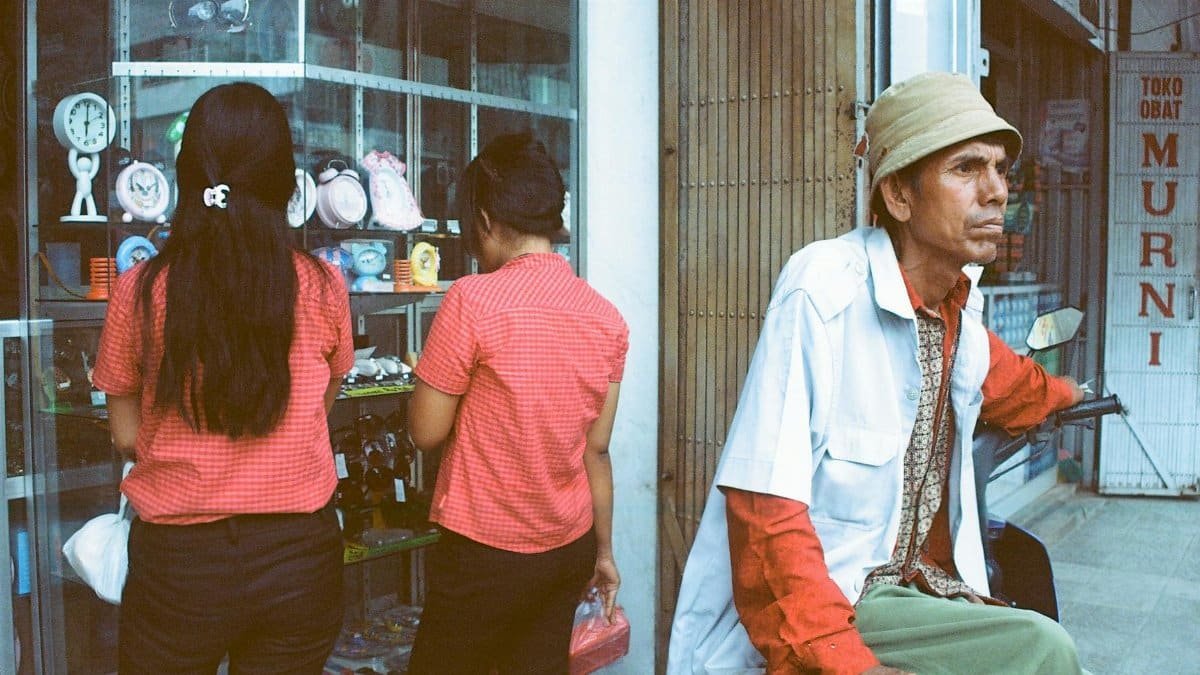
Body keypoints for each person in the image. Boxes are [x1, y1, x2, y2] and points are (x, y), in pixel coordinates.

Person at [668, 71, 1088, 674]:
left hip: (916, 585)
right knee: (1044, 649)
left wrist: (1066, 395)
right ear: (898, 196)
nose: (996, 190)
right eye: (967, 168)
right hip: (837, 597)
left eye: (1000, 169)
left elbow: (1007, 380)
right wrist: (849, 666)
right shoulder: (824, 289)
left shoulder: (958, 314)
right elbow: (765, 509)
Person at [92, 82, 353, 674]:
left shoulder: (142, 290)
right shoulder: (321, 286)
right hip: (298, 561)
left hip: (180, 568)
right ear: (283, 182)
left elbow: (127, 436)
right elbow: (322, 400)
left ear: (189, 176)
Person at [405, 132, 629, 674]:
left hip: (485, 553)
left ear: (481, 220)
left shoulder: (472, 300)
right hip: (568, 548)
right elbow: (595, 451)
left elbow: (425, 432)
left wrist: (429, 380)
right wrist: (603, 554)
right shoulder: (606, 318)